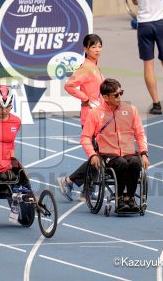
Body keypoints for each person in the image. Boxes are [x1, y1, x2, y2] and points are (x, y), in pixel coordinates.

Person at [80, 78, 150, 212]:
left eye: (121, 93)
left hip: (128, 152)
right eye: (116, 95)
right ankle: (119, 199)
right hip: (108, 154)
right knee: (121, 163)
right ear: (105, 97)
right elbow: (85, 138)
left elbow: (140, 134)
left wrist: (144, 153)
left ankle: (129, 198)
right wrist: (92, 155)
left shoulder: (131, 110)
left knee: (136, 162)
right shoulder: (95, 113)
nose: (120, 97)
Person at [58, 34, 105, 202]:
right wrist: (86, 98)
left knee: (99, 154)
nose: (97, 50)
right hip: (89, 118)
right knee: (97, 155)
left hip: (98, 116)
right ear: (85, 49)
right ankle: (69, 181)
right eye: (93, 47)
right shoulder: (86, 67)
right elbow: (69, 85)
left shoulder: (94, 66)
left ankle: (87, 190)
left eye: (99, 46)